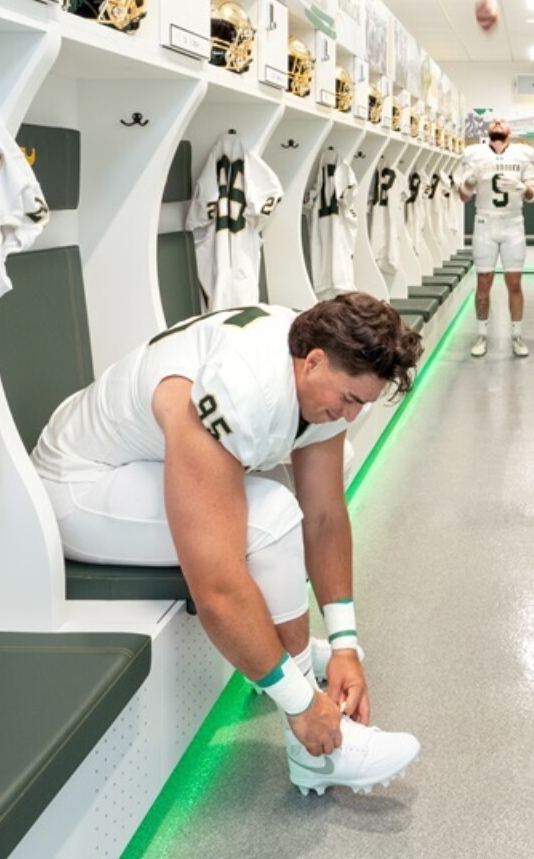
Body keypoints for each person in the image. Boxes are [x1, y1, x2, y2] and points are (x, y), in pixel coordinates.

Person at [29, 295, 424, 795]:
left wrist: (348, 647)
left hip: (145, 462)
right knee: (272, 518)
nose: (348, 415)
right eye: (347, 399)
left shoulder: (316, 364)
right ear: (315, 361)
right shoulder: (237, 389)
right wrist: (303, 704)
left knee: (329, 467)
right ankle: (315, 750)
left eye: (361, 404)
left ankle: (292, 657)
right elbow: (215, 584)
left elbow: (324, 516)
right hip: (80, 488)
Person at [459, 118, 534, 358]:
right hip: (484, 221)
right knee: (483, 281)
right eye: (494, 122)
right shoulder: (474, 155)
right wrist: (469, 183)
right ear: (488, 131)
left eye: (502, 121)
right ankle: (482, 335)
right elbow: (463, 197)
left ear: (510, 132)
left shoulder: (523, 155)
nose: (497, 122)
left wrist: (524, 189)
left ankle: (517, 335)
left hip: (514, 222)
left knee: (514, 283)